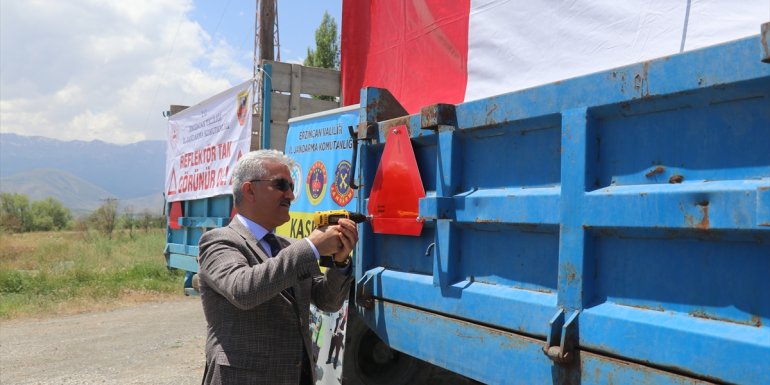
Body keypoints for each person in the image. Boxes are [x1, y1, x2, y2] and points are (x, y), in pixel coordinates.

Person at [198, 149, 358, 385]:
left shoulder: (288, 247)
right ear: (249, 189)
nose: (291, 195)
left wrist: (340, 262)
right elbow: (243, 290)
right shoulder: (219, 241)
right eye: (282, 185)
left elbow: (327, 301)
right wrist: (311, 247)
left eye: (292, 188)